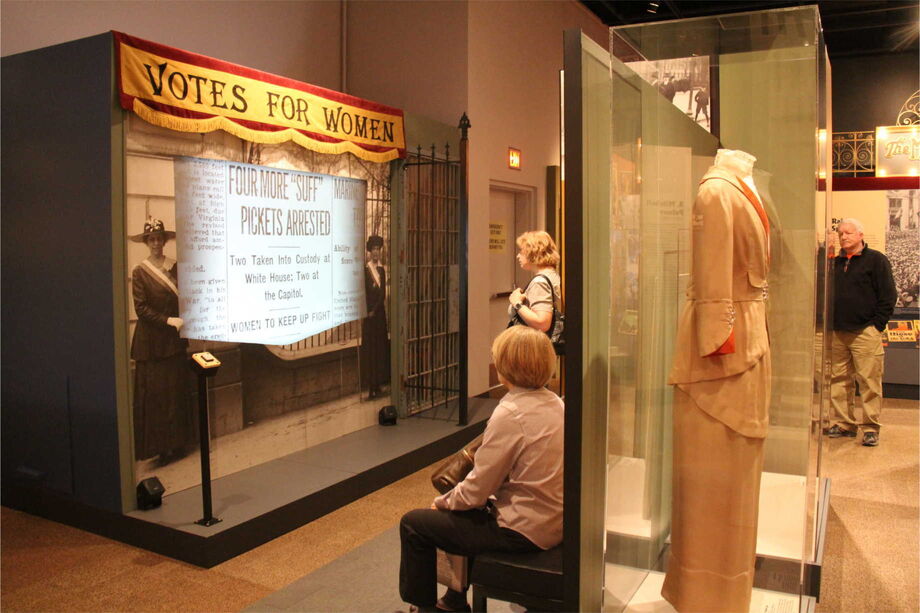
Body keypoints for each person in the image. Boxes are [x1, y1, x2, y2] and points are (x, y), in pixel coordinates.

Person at [666, 149, 771, 613]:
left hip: (746, 339)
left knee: (735, 474)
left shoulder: (737, 187)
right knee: (712, 474)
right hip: (723, 354)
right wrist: (718, 341)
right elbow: (712, 283)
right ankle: (705, 592)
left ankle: (725, 591)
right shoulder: (715, 192)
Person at [399, 326, 563, 612]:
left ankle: (425, 608)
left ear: (507, 366)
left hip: (523, 531)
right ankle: (454, 600)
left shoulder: (510, 413)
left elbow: (476, 490)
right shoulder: (556, 403)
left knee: (415, 523)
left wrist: (441, 503)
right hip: (554, 521)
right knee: (465, 511)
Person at [824, 218, 897, 447]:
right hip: (838, 332)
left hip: (865, 331)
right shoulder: (834, 263)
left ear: (860, 235)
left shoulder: (876, 260)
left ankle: (870, 427)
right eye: (840, 233)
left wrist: (877, 325)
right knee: (838, 380)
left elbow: (888, 295)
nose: (843, 236)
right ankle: (844, 423)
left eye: (848, 233)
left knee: (869, 382)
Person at [130, 218, 191, 465]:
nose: (156, 243)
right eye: (151, 239)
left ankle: (177, 444)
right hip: (152, 344)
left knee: (175, 393)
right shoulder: (139, 271)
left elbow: (185, 297)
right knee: (156, 397)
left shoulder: (174, 267)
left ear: (165, 241)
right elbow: (141, 309)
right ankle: (160, 449)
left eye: (159, 239)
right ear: (147, 242)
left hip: (173, 342)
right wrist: (167, 320)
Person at [508, 231, 561, 334]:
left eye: (521, 251)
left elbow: (542, 324)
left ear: (532, 252)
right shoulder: (552, 275)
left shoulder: (540, 282)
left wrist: (517, 303)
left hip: (536, 342)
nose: (518, 256)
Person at [361, 234, 390, 399]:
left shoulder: (382, 270)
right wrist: (368, 311)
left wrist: (375, 310)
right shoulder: (366, 270)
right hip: (368, 317)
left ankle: (378, 383)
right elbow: (363, 292)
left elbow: (382, 294)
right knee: (370, 350)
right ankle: (371, 386)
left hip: (379, 315)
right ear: (369, 251)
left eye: (378, 249)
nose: (376, 252)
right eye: (373, 249)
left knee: (380, 349)